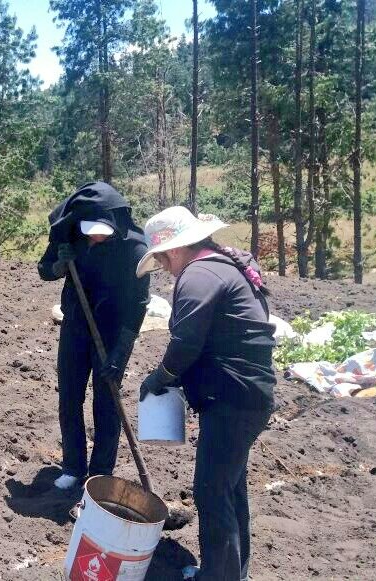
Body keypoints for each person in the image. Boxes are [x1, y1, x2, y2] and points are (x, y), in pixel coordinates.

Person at [136, 206, 276, 581]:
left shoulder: (198, 274)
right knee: (230, 489)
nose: (164, 266)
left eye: (163, 257)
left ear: (176, 249)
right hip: (247, 395)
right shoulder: (222, 266)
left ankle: (217, 577)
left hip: (232, 399)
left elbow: (186, 342)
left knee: (212, 492)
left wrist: (160, 377)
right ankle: (233, 572)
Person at [38, 182, 149, 490]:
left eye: (102, 231)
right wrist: (59, 265)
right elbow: (43, 269)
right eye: (91, 231)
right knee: (69, 397)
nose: (96, 237)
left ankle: (100, 473)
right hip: (76, 324)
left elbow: (139, 304)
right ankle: (73, 466)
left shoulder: (135, 249)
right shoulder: (71, 235)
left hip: (113, 331)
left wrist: (121, 351)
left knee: (107, 401)